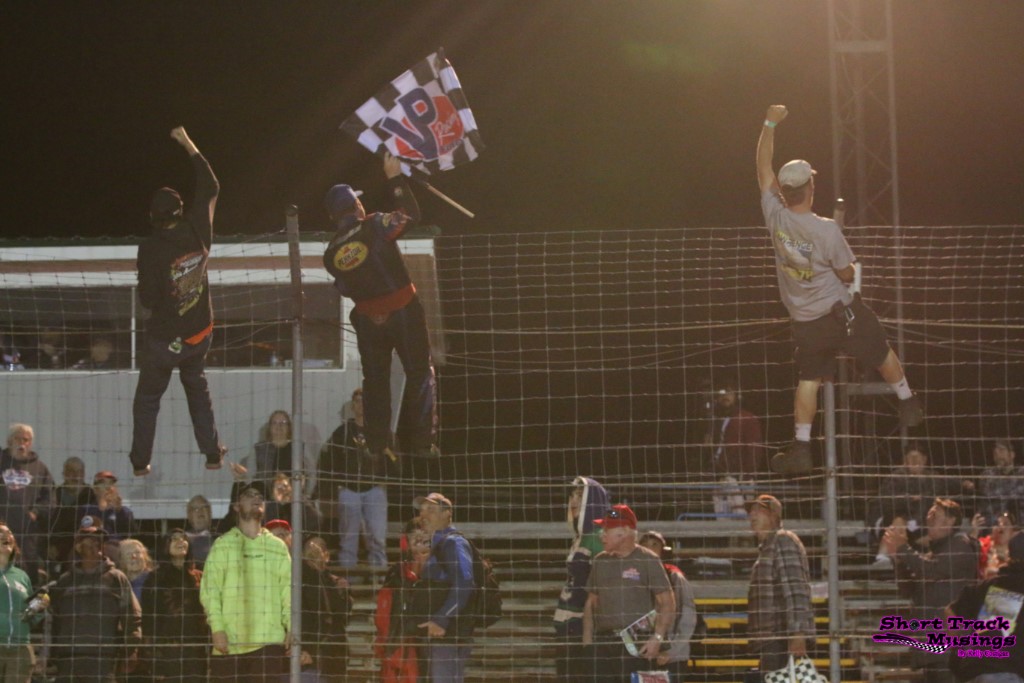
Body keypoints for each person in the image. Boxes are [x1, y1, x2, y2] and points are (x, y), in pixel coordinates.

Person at [756, 104, 923, 474]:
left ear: (784, 191)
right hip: (840, 312)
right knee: (879, 347)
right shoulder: (826, 229)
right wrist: (851, 270)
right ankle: (907, 401)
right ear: (811, 188)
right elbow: (846, 271)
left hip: (805, 320)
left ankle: (802, 446)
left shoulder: (774, 215)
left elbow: (763, 167)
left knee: (808, 379)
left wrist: (769, 124)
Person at [323, 152, 438, 459]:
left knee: (375, 382)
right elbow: (411, 216)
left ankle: (376, 444)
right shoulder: (374, 224)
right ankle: (423, 443)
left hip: (368, 320)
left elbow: (344, 288)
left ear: (334, 216)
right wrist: (395, 179)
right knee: (419, 372)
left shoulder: (330, 253)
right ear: (356, 205)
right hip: (403, 310)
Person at [129, 125, 226, 477]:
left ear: (153, 218)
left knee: (147, 401)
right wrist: (188, 144)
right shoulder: (198, 227)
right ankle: (212, 454)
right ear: (180, 210)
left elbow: (148, 299)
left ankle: (141, 462)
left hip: (164, 341)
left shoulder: (150, 249)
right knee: (197, 390)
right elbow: (211, 185)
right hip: (199, 335)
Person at [200, 482, 291, 681]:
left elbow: (288, 591)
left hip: (269, 643)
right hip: (229, 643)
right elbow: (210, 591)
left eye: (260, 496)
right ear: (236, 506)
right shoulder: (222, 545)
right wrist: (217, 629)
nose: (257, 498)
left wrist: (292, 626)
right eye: (249, 495)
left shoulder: (277, 547)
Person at [882, 498, 978, 683]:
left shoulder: (960, 544)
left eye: (935, 515)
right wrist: (898, 560)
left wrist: (903, 549)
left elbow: (932, 570)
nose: (929, 518)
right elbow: (908, 590)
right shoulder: (932, 554)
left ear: (950, 521)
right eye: (928, 514)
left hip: (951, 650)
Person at [580, 504, 675, 683]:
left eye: (607, 530)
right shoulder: (600, 561)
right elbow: (591, 603)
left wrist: (658, 639)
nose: (602, 535)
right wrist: (588, 644)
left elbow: (667, 602)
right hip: (603, 644)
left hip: (638, 645)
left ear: (624, 531)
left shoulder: (648, 559)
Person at [50, 525, 142, 683]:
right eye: (90, 541)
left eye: (99, 541)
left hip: (104, 661)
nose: (96, 545)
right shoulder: (65, 580)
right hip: (68, 661)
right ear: (79, 547)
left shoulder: (116, 578)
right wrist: (52, 655)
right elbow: (55, 621)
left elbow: (132, 616)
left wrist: (131, 650)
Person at [319, 388, 391, 568]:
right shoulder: (342, 432)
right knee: (348, 539)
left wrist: (385, 480)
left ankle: (380, 577)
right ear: (352, 406)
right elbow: (329, 460)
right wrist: (337, 485)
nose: (361, 405)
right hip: (349, 490)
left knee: (377, 538)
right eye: (358, 401)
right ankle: (348, 580)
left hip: (374, 489)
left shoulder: (381, 431)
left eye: (365, 401)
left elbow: (393, 459)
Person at [745, 494, 815, 676]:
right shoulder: (768, 547)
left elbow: (796, 590)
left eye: (759, 510)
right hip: (772, 639)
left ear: (774, 516)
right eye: (751, 511)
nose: (752, 515)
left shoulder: (782, 540)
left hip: (781, 638)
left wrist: (798, 633)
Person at [414, 492, 477, 682]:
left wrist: (442, 619)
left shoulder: (453, 542)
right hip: (437, 633)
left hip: (447, 634)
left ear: (447, 513)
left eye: (431, 510)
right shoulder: (435, 543)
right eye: (422, 510)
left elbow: (465, 583)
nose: (424, 515)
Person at [945, 533, 1024, 683]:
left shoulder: (990, 586)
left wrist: (957, 650)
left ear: (1009, 555)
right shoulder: (1015, 585)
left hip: (974, 670)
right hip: (1006, 674)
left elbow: (951, 612)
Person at [870, 444, 963, 569]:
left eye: (917, 458)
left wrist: (965, 483)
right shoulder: (895, 477)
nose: (914, 461)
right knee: (899, 522)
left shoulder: (933, 477)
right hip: (893, 520)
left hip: (920, 525)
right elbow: (886, 501)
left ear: (924, 460)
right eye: (911, 458)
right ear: (905, 460)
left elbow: (954, 484)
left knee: (938, 529)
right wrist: (909, 499)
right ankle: (882, 557)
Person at [553, 476, 610, 680]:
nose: (574, 501)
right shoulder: (581, 537)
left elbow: (604, 588)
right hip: (569, 624)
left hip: (583, 626)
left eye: (580, 495)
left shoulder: (599, 537)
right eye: (572, 496)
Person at [140, 528, 208, 682]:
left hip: (195, 650)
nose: (180, 541)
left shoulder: (199, 576)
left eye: (183, 538)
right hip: (166, 650)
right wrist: (152, 652)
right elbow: (148, 619)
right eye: (174, 538)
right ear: (166, 545)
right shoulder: (155, 578)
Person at [375, 518, 433, 683]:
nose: (420, 544)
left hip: (433, 637)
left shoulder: (441, 568)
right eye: (415, 539)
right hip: (403, 637)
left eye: (424, 539)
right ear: (406, 542)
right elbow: (385, 612)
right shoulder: (397, 571)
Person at [638, 530, 698, 683]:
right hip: (642, 655)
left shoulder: (674, 576)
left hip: (671, 658)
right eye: (645, 545)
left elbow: (688, 619)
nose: (649, 549)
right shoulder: (633, 577)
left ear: (662, 551)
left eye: (654, 545)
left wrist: (671, 652)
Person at [0, 423, 54, 585]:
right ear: (9, 441)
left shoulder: (40, 468)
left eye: (26, 440)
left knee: (29, 569)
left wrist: (36, 512)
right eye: (18, 439)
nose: (22, 443)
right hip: (2, 528)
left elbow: (50, 498)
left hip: (28, 531)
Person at [299, 536, 353, 682]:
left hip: (334, 652)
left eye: (317, 552)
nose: (314, 557)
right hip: (309, 652)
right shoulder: (299, 583)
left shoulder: (338, 584)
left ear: (327, 556)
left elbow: (343, 615)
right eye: (310, 554)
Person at [231, 410, 315, 495]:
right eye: (274, 423)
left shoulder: (300, 447)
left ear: (289, 427)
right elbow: (250, 476)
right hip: (265, 498)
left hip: (294, 499)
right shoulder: (258, 449)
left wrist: (307, 495)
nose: (279, 426)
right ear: (269, 427)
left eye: (283, 422)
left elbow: (312, 473)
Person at [0, 524, 40, 683]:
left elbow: (31, 617)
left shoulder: (22, 576)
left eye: (9, 532)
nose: (6, 535)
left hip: (21, 649)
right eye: (0, 532)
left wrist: (39, 606)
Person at [970, 440, 1024, 526]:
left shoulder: (1021, 473)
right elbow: (984, 500)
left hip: (1017, 522)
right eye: (995, 453)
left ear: (1012, 455)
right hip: (991, 522)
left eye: (1001, 451)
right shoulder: (987, 475)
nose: (998, 456)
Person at [79, 471, 136, 542]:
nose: (108, 488)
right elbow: (85, 534)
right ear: (95, 490)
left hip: (117, 546)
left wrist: (119, 511)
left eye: (111, 484)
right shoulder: (86, 510)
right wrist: (102, 508)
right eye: (104, 484)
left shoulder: (125, 511)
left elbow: (131, 534)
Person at [971, 511, 1020, 580]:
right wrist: (974, 532)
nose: (1000, 526)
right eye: (997, 524)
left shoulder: (1019, 554)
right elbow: (966, 555)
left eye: (1005, 524)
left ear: (1013, 533)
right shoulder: (981, 545)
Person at [116, 538, 153, 603]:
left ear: (145, 556)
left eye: (137, 552)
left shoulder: (155, 579)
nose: (133, 557)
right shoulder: (118, 584)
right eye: (128, 554)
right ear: (121, 560)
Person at [184, 494, 214, 567]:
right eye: (196, 509)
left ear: (210, 513)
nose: (200, 512)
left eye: (204, 508)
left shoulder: (219, 538)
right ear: (189, 515)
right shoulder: (179, 539)